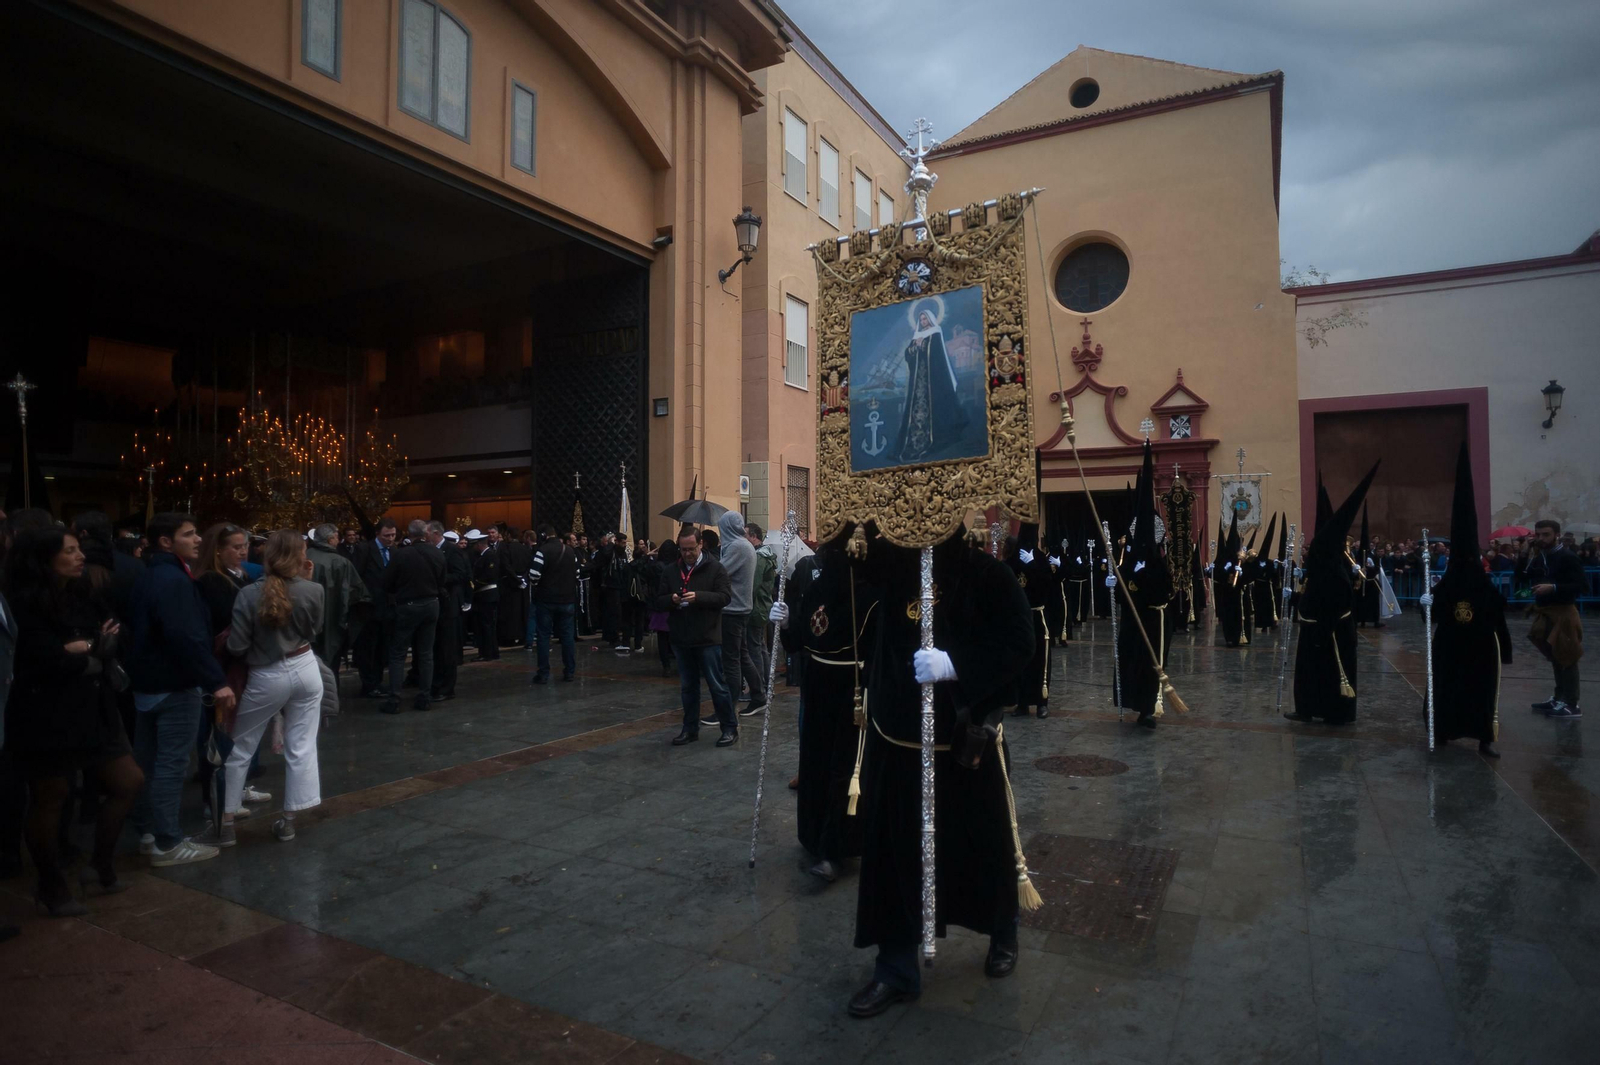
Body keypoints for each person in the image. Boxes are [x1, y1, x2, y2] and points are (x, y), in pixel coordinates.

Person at [848, 526, 1037, 1018]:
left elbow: (1021, 641)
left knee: (983, 841)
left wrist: (956, 664)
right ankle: (895, 968)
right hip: (899, 739)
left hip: (963, 739)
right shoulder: (892, 566)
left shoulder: (986, 575)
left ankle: (1002, 930)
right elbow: (853, 564)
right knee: (894, 853)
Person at [3, 527, 144, 915]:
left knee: (128, 780)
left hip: (95, 706)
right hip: (47, 713)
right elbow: (43, 661)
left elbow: (117, 634)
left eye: (79, 548)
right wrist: (88, 649)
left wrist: (91, 648)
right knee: (51, 796)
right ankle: (50, 884)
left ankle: (100, 864)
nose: (80, 556)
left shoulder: (82, 594)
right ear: (45, 559)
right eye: (70, 551)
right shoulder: (24, 604)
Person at [127, 512, 235, 867]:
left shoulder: (149, 574)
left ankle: (148, 832)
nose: (198, 540)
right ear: (165, 542)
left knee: (149, 761)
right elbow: (185, 637)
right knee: (171, 764)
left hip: (148, 684)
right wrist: (215, 681)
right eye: (189, 534)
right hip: (174, 684)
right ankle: (168, 841)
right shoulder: (174, 581)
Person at [216, 530, 325, 845]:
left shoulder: (249, 594)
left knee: (241, 747)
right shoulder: (314, 589)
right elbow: (315, 630)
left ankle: (226, 823)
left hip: (266, 673)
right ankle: (288, 820)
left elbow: (236, 645)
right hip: (306, 667)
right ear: (301, 556)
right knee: (301, 745)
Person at [775, 530, 872, 882]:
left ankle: (836, 847)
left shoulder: (867, 595)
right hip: (817, 685)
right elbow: (802, 635)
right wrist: (786, 622)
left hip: (853, 688)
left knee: (843, 769)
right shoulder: (817, 589)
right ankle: (812, 835)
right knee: (814, 762)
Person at [1424, 444, 1512, 755]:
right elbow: (1430, 614)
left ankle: (1484, 737)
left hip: (1477, 648)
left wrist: (1505, 648)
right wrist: (1426, 602)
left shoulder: (1481, 584)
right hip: (1451, 646)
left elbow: (1497, 614)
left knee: (1480, 691)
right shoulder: (1450, 583)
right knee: (1447, 688)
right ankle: (1443, 730)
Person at [1285, 465, 1379, 727]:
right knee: (1309, 673)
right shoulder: (1322, 571)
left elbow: (1335, 603)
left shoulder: (1335, 573)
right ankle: (1307, 708)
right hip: (1315, 630)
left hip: (1330, 633)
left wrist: (1320, 628)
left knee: (1330, 673)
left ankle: (1336, 712)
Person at [193, 522, 269, 817]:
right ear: (219, 550)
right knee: (220, 729)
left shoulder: (242, 576)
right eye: (235, 547)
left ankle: (239, 785)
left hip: (241, 660)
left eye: (244, 546)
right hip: (224, 662)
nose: (242, 551)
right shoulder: (211, 581)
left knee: (245, 725)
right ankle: (215, 796)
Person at [654, 528, 736, 746]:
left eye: (691, 549)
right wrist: (671, 599)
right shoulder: (671, 570)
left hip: (708, 637)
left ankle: (729, 728)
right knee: (688, 687)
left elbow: (725, 597)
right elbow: (658, 600)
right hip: (681, 637)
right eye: (683, 549)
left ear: (701, 545)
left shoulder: (715, 568)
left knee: (717, 685)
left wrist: (698, 597)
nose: (687, 553)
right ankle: (689, 729)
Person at [1113, 443, 1175, 729]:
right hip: (1132, 623)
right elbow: (1119, 596)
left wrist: (1139, 581)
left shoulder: (1157, 564)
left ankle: (1149, 708)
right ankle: (1136, 703)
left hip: (1152, 621)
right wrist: (1119, 583)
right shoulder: (1128, 562)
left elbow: (1164, 592)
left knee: (1150, 665)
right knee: (1132, 662)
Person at [384, 520, 445, 713]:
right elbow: (442, 579)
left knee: (398, 653)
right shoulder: (437, 553)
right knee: (426, 653)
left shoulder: (401, 554)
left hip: (408, 605)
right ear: (426, 534)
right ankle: (424, 697)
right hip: (431, 603)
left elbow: (388, 583)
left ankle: (394, 698)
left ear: (408, 534)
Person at [1527, 518, 1585, 719]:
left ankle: (1572, 703)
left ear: (1556, 535)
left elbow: (1581, 585)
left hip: (1564, 612)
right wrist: (1525, 554)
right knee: (1555, 656)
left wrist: (1555, 588)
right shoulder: (1540, 556)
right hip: (1548, 611)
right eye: (1538, 534)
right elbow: (1523, 575)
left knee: (1567, 656)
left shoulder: (1567, 557)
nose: (1541, 538)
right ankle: (1559, 697)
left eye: (1546, 534)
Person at [711, 511, 764, 722]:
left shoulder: (738, 547)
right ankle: (759, 696)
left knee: (731, 661)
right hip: (739, 608)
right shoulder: (742, 545)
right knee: (742, 656)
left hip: (733, 610)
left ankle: (727, 709)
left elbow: (720, 572)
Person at [307, 523, 368, 695]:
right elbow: (356, 593)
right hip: (331, 620)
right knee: (330, 662)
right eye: (336, 536)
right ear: (330, 539)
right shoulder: (340, 562)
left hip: (305, 620)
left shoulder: (304, 557)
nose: (338, 540)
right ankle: (329, 699)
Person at [1003, 528, 1052, 719]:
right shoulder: (1014, 558)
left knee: (1040, 660)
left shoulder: (1040, 559)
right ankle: (1022, 702)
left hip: (1037, 615)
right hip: (1019, 618)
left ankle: (1041, 702)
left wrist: (1033, 566)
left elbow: (1048, 583)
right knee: (1020, 660)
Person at [353, 518, 398, 697]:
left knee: (382, 648)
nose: (390, 538)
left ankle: (377, 682)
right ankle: (369, 684)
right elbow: (357, 575)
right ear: (378, 534)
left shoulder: (394, 551)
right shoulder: (365, 549)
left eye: (393, 535)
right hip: (369, 607)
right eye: (387, 535)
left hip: (388, 607)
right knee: (368, 648)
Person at [529, 524, 578, 684]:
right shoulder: (570, 551)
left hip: (546, 600)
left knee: (544, 636)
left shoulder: (542, 551)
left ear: (544, 535)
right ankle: (569, 671)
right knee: (567, 636)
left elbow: (534, 576)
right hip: (567, 600)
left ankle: (543, 673)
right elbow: (577, 573)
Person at [426, 522, 468, 700]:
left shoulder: (452, 551)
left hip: (449, 604)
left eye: (427, 534)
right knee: (436, 647)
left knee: (447, 647)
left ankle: (446, 687)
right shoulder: (429, 550)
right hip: (435, 603)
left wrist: (439, 579)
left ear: (435, 533)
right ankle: (435, 682)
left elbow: (460, 574)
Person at [746, 522, 778, 709]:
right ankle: (766, 684)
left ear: (754, 536)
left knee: (755, 648)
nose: (744, 539)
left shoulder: (759, 558)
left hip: (756, 607)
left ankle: (760, 687)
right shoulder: (766, 555)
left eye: (745, 535)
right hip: (763, 606)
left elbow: (753, 584)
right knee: (761, 646)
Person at [465, 528, 502, 661]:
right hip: (484, 595)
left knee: (486, 626)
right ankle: (489, 651)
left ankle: (487, 652)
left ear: (479, 544)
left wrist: (473, 585)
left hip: (487, 594)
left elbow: (489, 576)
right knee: (485, 625)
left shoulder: (490, 555)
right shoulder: (484, 556)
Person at [648, 540, 679, 675]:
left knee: (662, 637)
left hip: (659, 605)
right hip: (673, 604)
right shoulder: (676, 567)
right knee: (676, 636)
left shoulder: (655, 566)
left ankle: (665, 665)